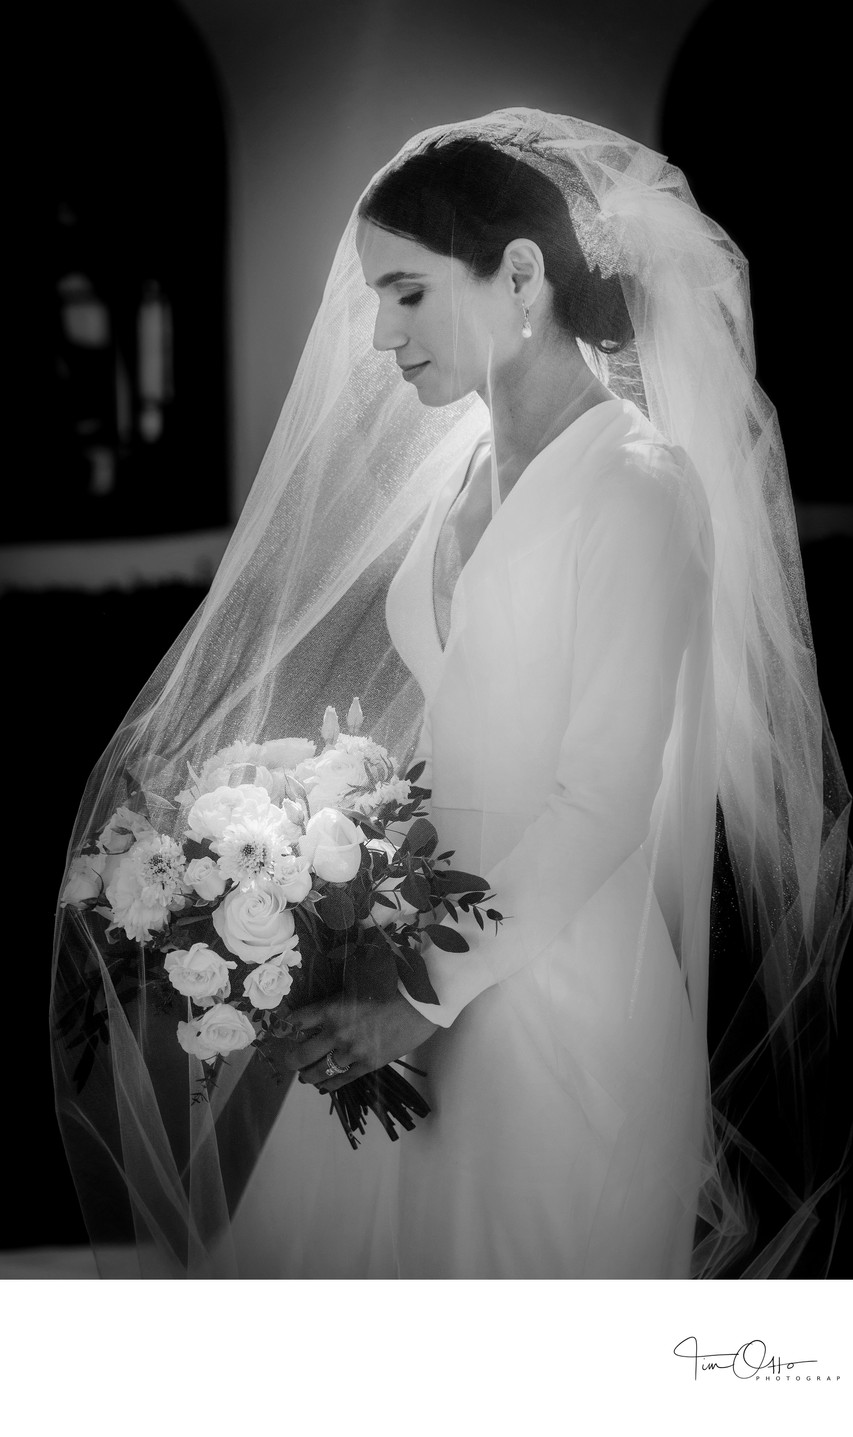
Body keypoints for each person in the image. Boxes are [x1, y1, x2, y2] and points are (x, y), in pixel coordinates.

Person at [52, 109, 851, 1280]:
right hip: (413, 984)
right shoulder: (468, 470)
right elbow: (463, 726)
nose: (380, 335)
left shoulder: (637, 489)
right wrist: (313, 838)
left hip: (557, 1009)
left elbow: (600, 803)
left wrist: (418, 1002)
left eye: (409, 294)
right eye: (377, 299)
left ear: (519, 275)